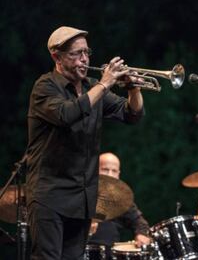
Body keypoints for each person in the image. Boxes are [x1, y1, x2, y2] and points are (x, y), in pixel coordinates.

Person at [25, 26, 144, 259]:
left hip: (81, 198)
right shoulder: (45, 86)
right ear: (57, 57)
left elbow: (132, 114)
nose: (84, 59)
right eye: (76, 54)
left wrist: (134, 88)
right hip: (50, 195)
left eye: (87, 52)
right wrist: (105, 83)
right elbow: (66, 114)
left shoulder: (91, 86)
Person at [87, 152, 151, 258]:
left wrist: (142, 234)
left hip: (110, 255)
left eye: (114, 171)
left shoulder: (120, 199)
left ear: (118, 174)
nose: (110, 175)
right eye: (105, 169)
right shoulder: (81, 194)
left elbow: (139, 222)